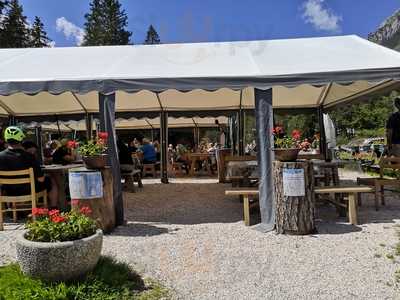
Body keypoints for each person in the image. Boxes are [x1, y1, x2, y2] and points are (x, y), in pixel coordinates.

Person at [0, 127, 57, 207]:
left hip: (9, 191)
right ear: (21, 140)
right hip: (29, 190)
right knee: (51, 179)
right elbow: (41, 179)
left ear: (6, 139)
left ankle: (10, 211)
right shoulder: (29, 156)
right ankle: (54, 208)